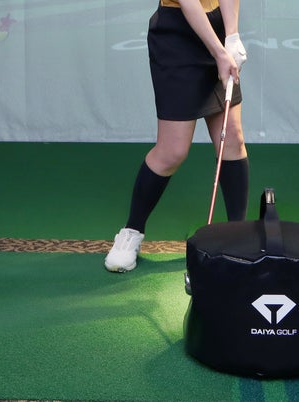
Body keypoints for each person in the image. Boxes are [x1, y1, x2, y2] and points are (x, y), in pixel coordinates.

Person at [104, 0, 248, 272]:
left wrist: (232, 37)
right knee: (173, 151)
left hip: (217, 26)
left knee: (232, 139)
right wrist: (219, 52)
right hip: (177, 35)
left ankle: (238, 235)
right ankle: (131, 231)